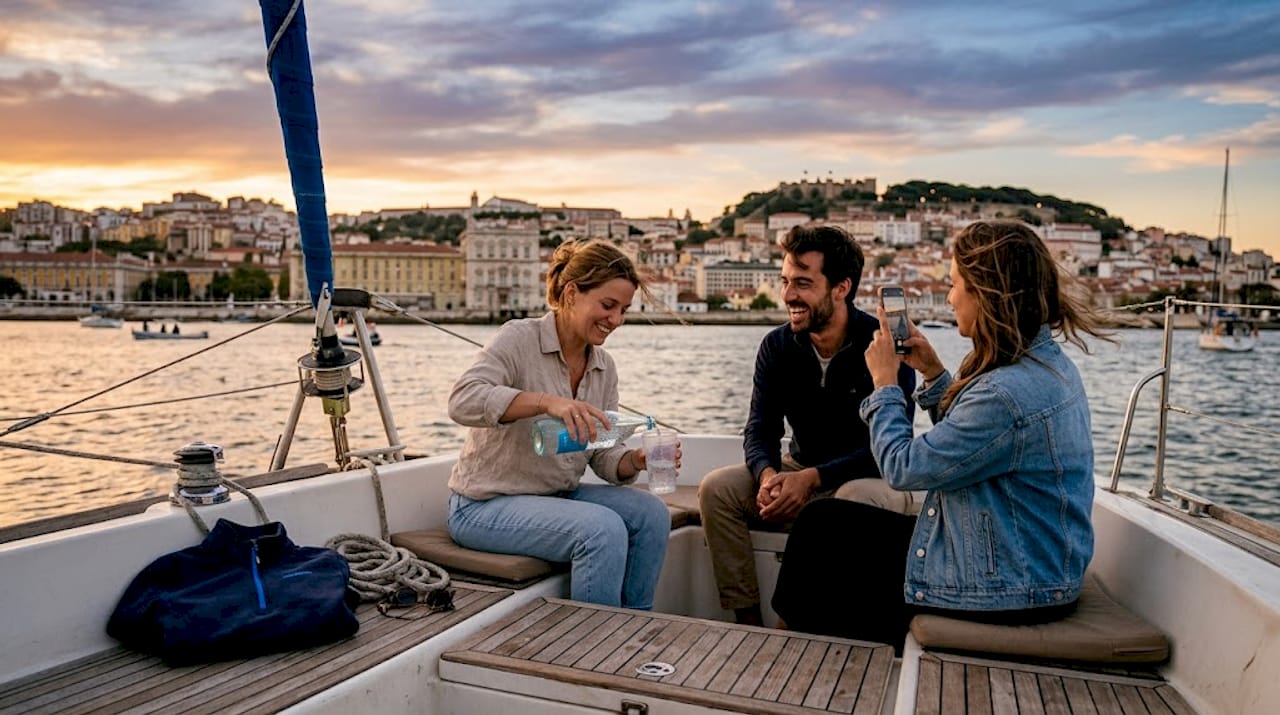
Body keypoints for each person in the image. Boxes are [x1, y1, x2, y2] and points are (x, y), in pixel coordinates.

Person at [773, 220, 1108, 650]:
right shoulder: (1042, 365)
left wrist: (886, 385)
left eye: (954, 285)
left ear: (985, 293)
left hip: (1011, 586)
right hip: (1030, 564)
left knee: (826, 536)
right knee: (827, 526)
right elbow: (969, 440)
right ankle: (807, 653)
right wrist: (932, 373)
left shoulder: (1005, 393)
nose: (949, 298)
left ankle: (786, 656)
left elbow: (902, 467)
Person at [698, 224, 916, 626]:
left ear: (841, 287)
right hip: (800, 467)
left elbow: (888, 449)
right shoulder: (778, 346)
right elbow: (760, 428)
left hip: (867, 475)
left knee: (847, 506)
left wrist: (814, 479)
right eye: (785, 282)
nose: (788, 296)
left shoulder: (883, 346)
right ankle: (747, 621)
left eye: (802, 283)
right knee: (717, 489)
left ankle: (793, 628)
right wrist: (766, 476)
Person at [446, 239, 672, 609]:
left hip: (554, 495)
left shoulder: (604, 367)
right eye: (607, 305)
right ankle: (593, 647)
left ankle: (631, 627)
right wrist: (544, 402)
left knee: (652, 515)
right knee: (601, 529)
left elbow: (602, 451)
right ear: (571, 293)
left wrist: (633, 462)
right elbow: (462, 400)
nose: (615, 320)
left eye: (624, 310)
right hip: (483, 506)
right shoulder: (519, 337)